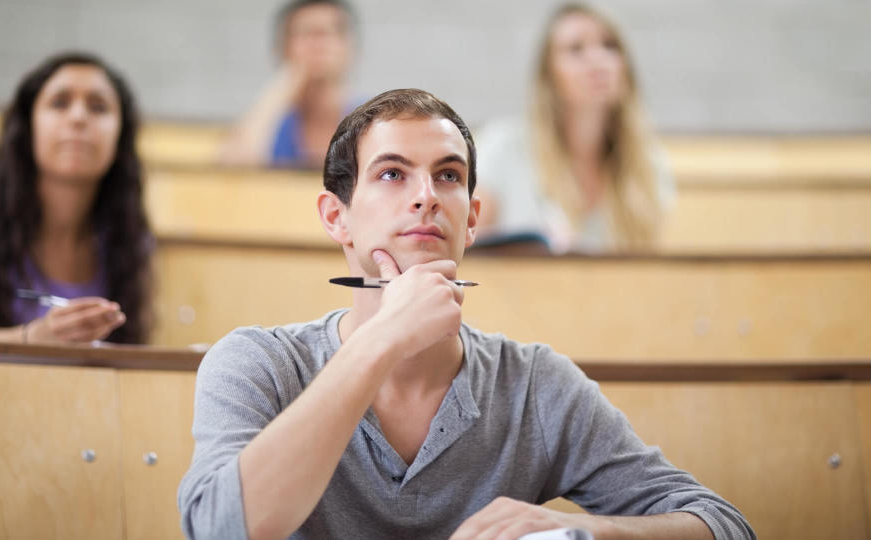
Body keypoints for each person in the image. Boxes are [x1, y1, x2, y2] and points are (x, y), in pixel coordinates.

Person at [178, 89, 754, 540]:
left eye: (448, 175)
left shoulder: (535, 385)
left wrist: (586, 527)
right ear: (336, 218)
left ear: (472, 218)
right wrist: (380, 343)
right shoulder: (256, 363)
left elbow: (724, 524)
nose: (427, 195)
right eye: (392, 173)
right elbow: (219, 527)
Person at [0, 52, 153, 344]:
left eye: (98, 107)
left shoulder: (131, 239)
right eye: (59, 103)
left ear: (120, 136)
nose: (78, 118)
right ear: (28, 126)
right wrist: (41, 336)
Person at [475, 3, 674, 253]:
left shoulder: (647, 165)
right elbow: (472, 253)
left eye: (609, 46)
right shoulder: (504, 147)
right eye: (576, 49)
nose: (597, 60)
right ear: (549, 75)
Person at [217, 0, 358, 169]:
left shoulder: (373, 119)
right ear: (282, 48)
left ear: (350, 47)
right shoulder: (273, 122)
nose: (317, 44)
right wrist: (282, 87)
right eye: (304, 33)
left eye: (329, 32)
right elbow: (230, 170)